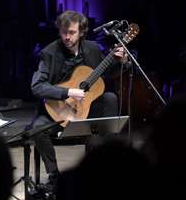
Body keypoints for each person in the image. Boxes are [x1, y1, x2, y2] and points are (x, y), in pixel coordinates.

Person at [30, 10, 127, 189]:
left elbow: (104, 75)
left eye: (72, 32)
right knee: (37, 129)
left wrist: (119, 62)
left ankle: (98, 165)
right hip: (58, 109)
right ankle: (54, 175)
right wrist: (68, 92)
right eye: (64, 32)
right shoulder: (49, 53)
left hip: (85, 109)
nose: (67, 37)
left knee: (110, 98)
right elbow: (37, 86)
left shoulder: (92, 48)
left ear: (81, 32)